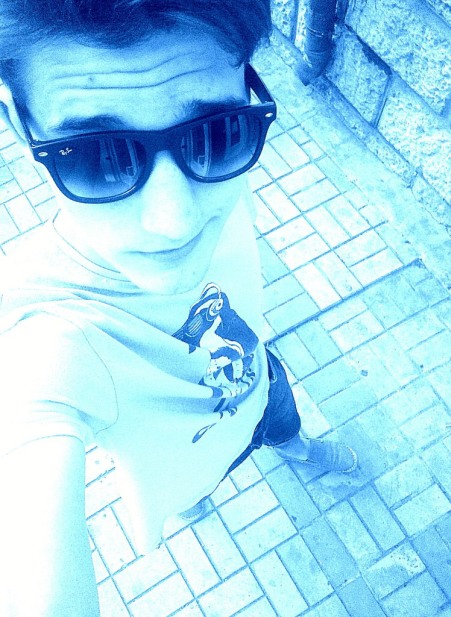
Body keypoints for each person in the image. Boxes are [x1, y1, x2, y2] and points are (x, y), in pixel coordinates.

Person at [0, 1, 357, 615]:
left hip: (259, 379)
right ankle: (194, 498)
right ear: (18, 123)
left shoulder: (225, 175)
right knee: (193, 489)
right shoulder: (44, 337)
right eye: (99, 156)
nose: (176, 219)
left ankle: (295, 447)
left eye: (216, 132)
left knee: (280, 413)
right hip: (183, 462)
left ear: (247, 92)